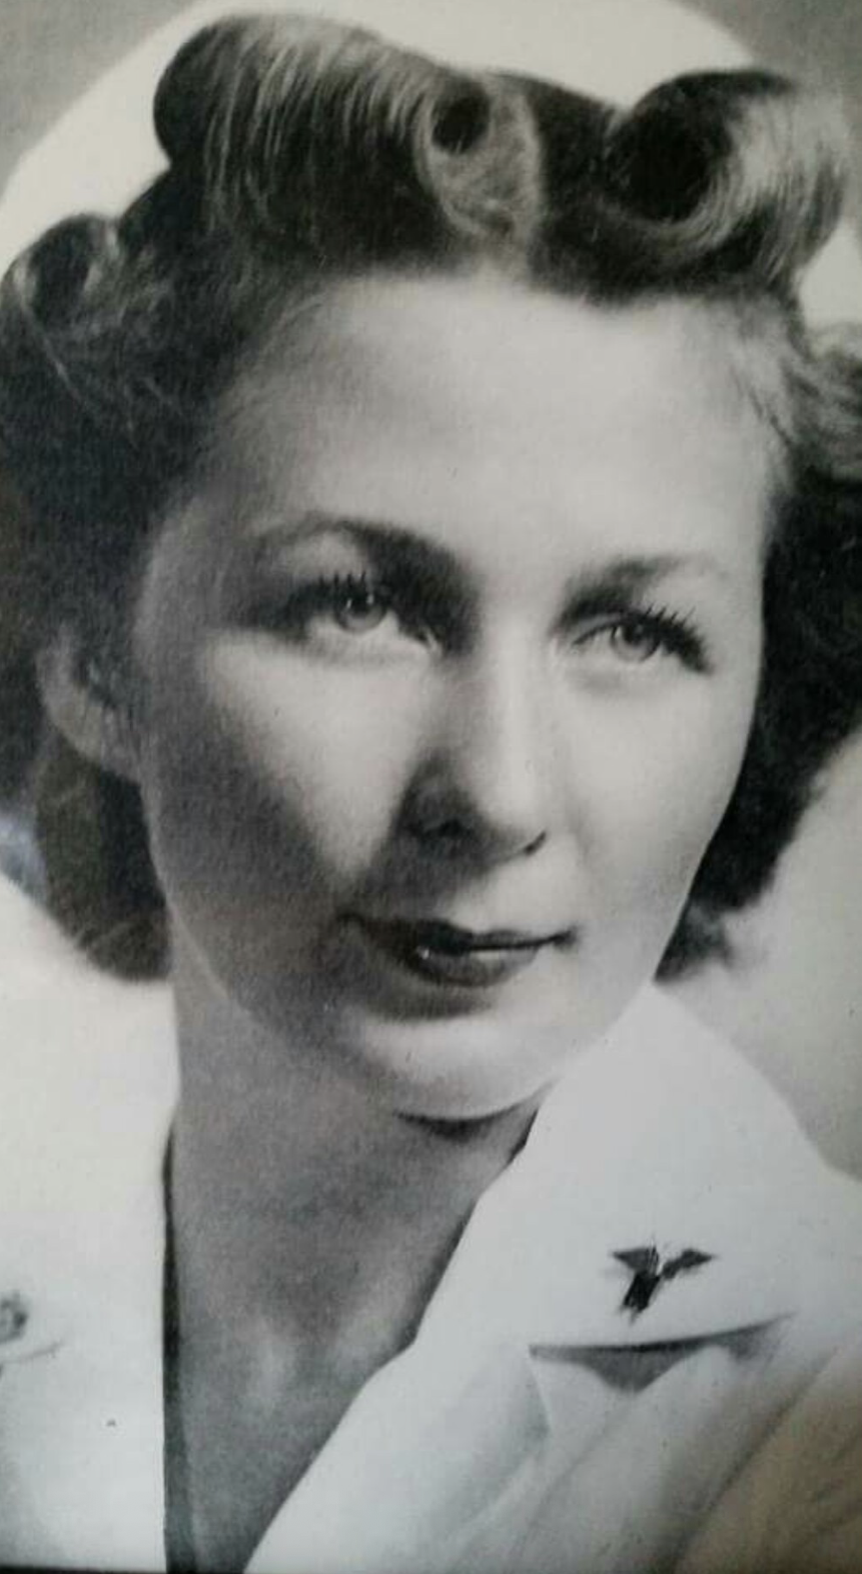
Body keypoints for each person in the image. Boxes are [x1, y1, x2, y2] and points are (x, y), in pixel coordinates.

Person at [1, 7, 862, 1572]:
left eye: (633, 628)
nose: (501, 788)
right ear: (92, 665)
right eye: (359, 603)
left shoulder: (829, 1393)